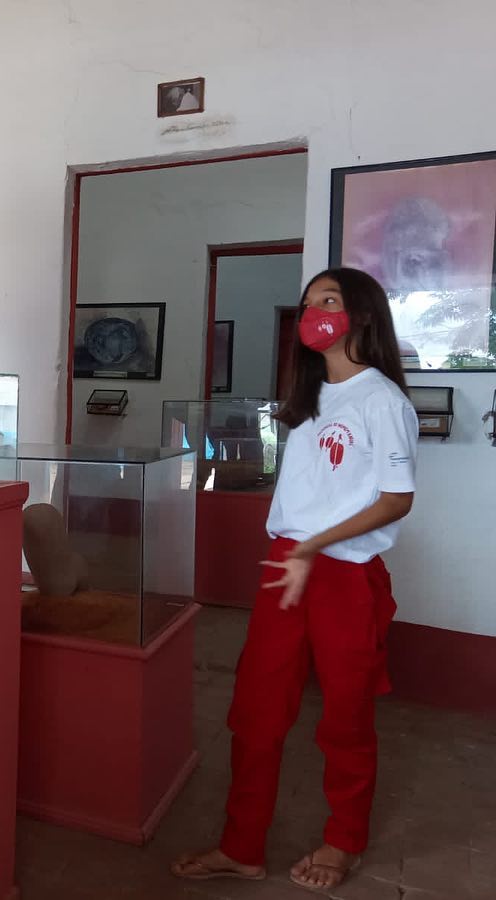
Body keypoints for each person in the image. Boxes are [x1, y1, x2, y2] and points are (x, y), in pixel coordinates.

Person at [172, 268, 418, 892]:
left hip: (344, 575)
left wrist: (314, 545)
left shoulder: (382, 399)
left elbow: (395, 499)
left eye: (328, 301)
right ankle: (242, 845)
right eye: (308, 304)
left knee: (346, 717)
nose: (314, 314)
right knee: (256, 711)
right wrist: (298, 547)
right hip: (288, 565)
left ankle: (345, 841)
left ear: (363, 314)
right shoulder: (309, 398)